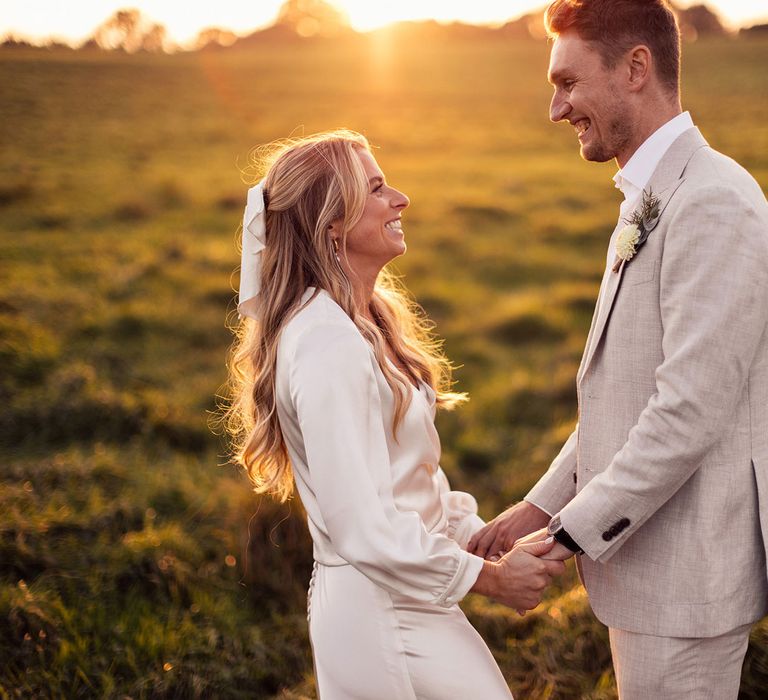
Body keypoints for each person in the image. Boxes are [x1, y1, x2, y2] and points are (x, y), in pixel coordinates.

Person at [469, 1, 768, 698]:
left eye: (568, 83)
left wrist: (570, 535)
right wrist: (539, 508)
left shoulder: (713, 201)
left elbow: (686, 413)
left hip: (687, 577)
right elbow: (625, 392)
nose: (555, 108)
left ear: (636, 68)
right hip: (652, 572)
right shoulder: (651, 196)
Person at [223, 130, 564, 699]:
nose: (400, 198)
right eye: (377, 189)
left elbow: (412, 479)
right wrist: (490, 580)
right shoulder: (325, 343)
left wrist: (478, 538)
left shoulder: (365, 321)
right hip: (380, 615)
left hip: (408, 593)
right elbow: (362, 524)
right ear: (332, 224)